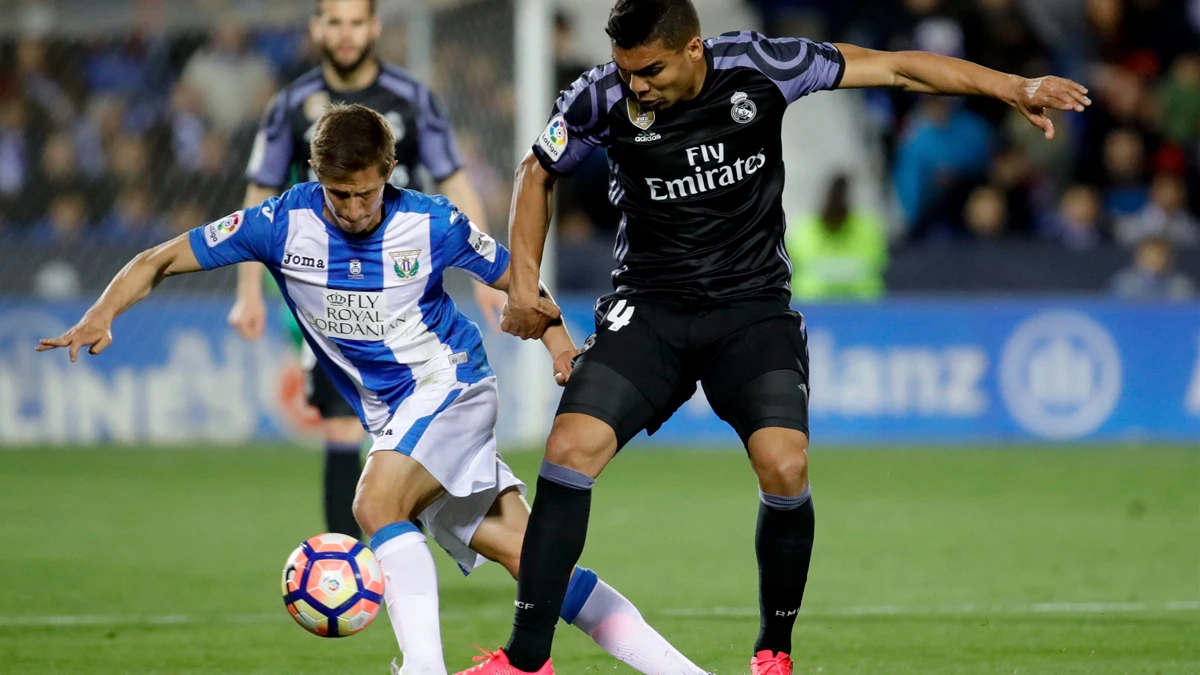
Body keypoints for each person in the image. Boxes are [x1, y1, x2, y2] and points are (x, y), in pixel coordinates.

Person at [478, 2, 1092, 674]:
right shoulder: (599, 96)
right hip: (648, 309)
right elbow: (536, 171)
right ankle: (525, 659)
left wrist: (1012, 86)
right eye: (627, 72)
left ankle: (773, 648)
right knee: (568, 449)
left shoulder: (763, 66)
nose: (637, 87)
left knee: (786, 465)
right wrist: (525, 282)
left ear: (693, 48)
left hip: (751, 309)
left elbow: (897, 69)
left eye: (649, 70)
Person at [37, 104, 708, 675]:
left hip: (452, 385)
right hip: (396, 419)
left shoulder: (433, 222)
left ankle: (422, 667)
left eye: (366, 192)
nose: (355, 208)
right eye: (339, 194)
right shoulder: (279, 224)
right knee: (536, 562)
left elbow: (518, 280)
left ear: (389, 173)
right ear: (315, 178)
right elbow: (160, 258)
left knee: (375, 498)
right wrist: (103, 311)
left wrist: (559, 342)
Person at [227, 0, 508, 543]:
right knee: (338, 423)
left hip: (405, 289)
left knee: (417, 427)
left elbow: (454, 179)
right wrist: (248, 292)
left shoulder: (412, 99)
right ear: (317, 29)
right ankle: (348, 563)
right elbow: (258, 196)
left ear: (374, 27)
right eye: (336, 22)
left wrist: (485, 274)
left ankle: (412, 542)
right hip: (326, 288)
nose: (347, 33)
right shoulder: (289, 105)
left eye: (357, 22)